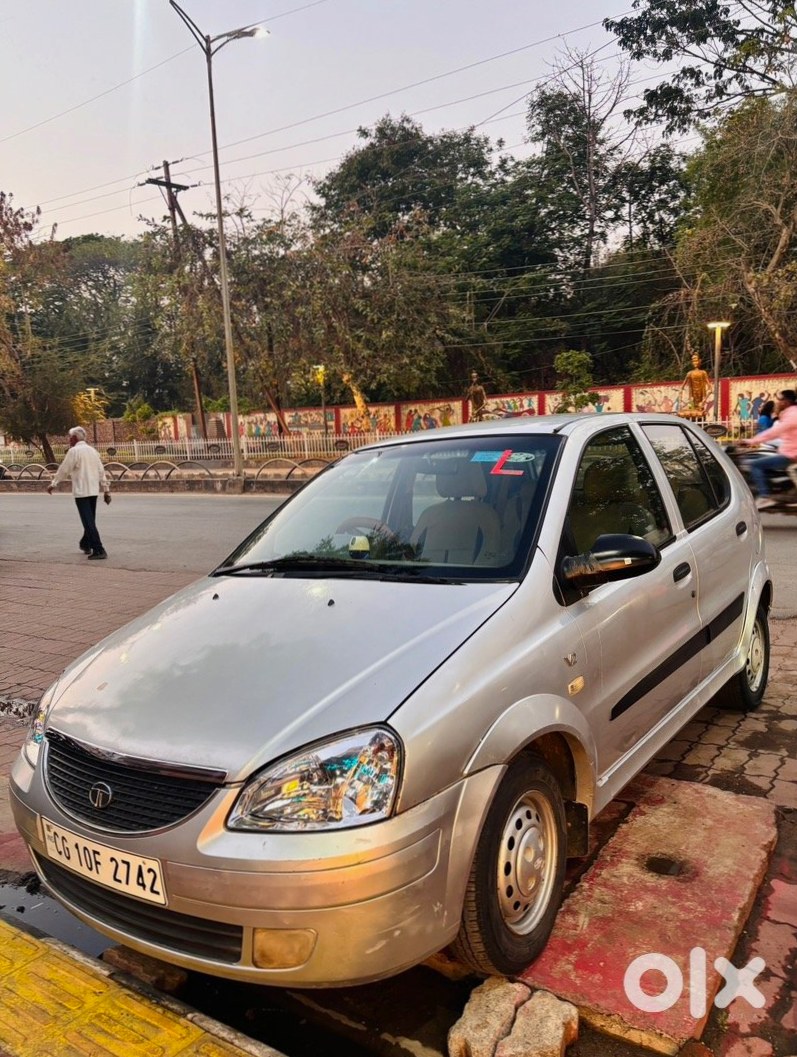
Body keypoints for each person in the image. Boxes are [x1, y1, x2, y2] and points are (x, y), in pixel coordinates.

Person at [47, 426, 112, 559]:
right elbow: (101, 471)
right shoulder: (93, 451)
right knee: (90, 520)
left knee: (88, 521)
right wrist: (106, 490)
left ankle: (99, 549)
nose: (69, 440)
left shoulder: (74, 452)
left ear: (74, 438)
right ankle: (85, 543)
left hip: (81, 492)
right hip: (93, 491)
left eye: (70, 437)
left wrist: (54, 483)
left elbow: (64, 470)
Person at [739, 390, 797, 509]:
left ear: (786, 402)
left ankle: (765, 496)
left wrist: (750, 441)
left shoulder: (791, 415)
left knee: (755, 465)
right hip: (786, 449)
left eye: (780, 400)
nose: (778, 402)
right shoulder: (789, 414)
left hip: (790, 454)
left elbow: (773, 432)